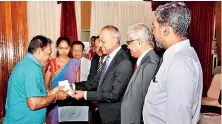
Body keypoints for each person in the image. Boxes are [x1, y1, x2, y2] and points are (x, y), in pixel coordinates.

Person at [143, 2, 203, 124]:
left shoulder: (179, 63)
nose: (153, 33)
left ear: (165, 30)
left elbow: (179, 118)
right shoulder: (178, 56)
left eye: (153, 27)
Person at [71, 25, 134, 124]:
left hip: (114, 116)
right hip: (102, 113)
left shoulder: (123, 62)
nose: (99, 45)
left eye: (102, 41)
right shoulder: (110, 58)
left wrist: (85, 94)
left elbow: (114, 95)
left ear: (114, 41)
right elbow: (95, 82)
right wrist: (73, 85)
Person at [3, 35, 68, 124]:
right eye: (49, 53)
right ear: (39, 51)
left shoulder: (28, 64)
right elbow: (34, 103)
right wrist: (56, 96)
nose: (50, 58)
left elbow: (33, 94)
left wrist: (52, 92)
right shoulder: (31, 68)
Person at [121, 23, 159, 124]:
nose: (128, 47)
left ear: (139, 42)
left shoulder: (151, 63)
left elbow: (147, 103)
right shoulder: (143, 61)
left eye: (129, 42)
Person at [44, 37, 80, 124]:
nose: (64, 51)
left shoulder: (75, 63)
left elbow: (77, 84)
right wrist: (49, 95)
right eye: (61, 48)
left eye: (66, 48)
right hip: (54, 100)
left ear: (70, 48)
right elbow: (46, 83)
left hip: (70, 99)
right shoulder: (51, 62)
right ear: (57, 48)